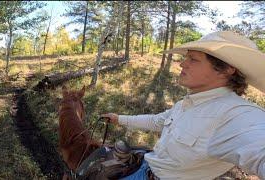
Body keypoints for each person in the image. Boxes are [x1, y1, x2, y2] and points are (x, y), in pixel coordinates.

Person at [101, 31, 265, 180]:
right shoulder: (186, 104)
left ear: (226, 70)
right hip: (147, 167)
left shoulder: (238, 114)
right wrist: (118, 119)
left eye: (193, 59)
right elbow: (157, 121)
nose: (182, 64)